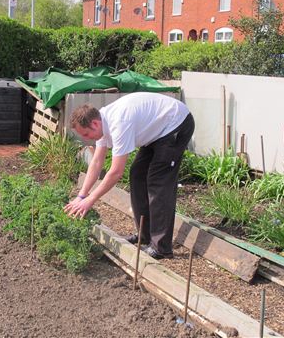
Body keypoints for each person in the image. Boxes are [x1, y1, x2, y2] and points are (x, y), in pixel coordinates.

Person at [64, 92, 195, 259]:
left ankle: (161, 247)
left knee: (158, 181)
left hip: (176, 124)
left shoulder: (119, 123)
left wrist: (91, 200)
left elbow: (116, 172)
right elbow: (97, 162)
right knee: (137, 175)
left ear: (94, 124)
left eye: (86, 134)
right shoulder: (103, 123)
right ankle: (144, 235)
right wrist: (81, 196)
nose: (86, 139)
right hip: (157, 130)